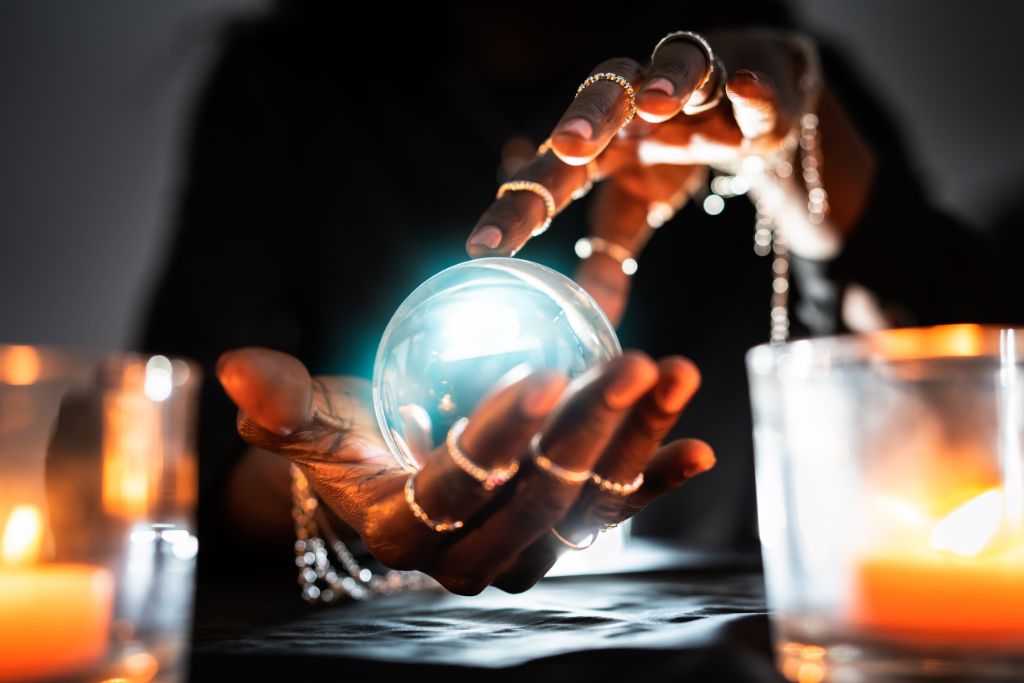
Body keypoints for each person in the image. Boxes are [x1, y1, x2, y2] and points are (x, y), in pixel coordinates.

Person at [141, 3, 1016, 599]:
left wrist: (810, 171)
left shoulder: (765, 78)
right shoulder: (291, 85)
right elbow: (168, 454)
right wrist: (313, 478)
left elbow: (977, 415)